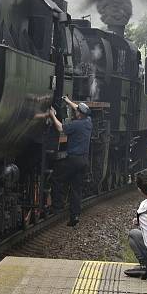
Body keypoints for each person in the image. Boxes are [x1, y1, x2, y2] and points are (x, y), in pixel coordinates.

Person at [48, 95, 92, 227]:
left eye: (77, 111)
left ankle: (57, 207)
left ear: (79, 114)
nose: (75, 111)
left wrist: (52, 116)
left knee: (57, 179)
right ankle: (75, 216)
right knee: (76, 188)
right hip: (84, 160)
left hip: (73, 160)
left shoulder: (75, 125)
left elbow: (61, 128)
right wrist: (68, 102)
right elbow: (78, 109)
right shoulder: (88, 122)